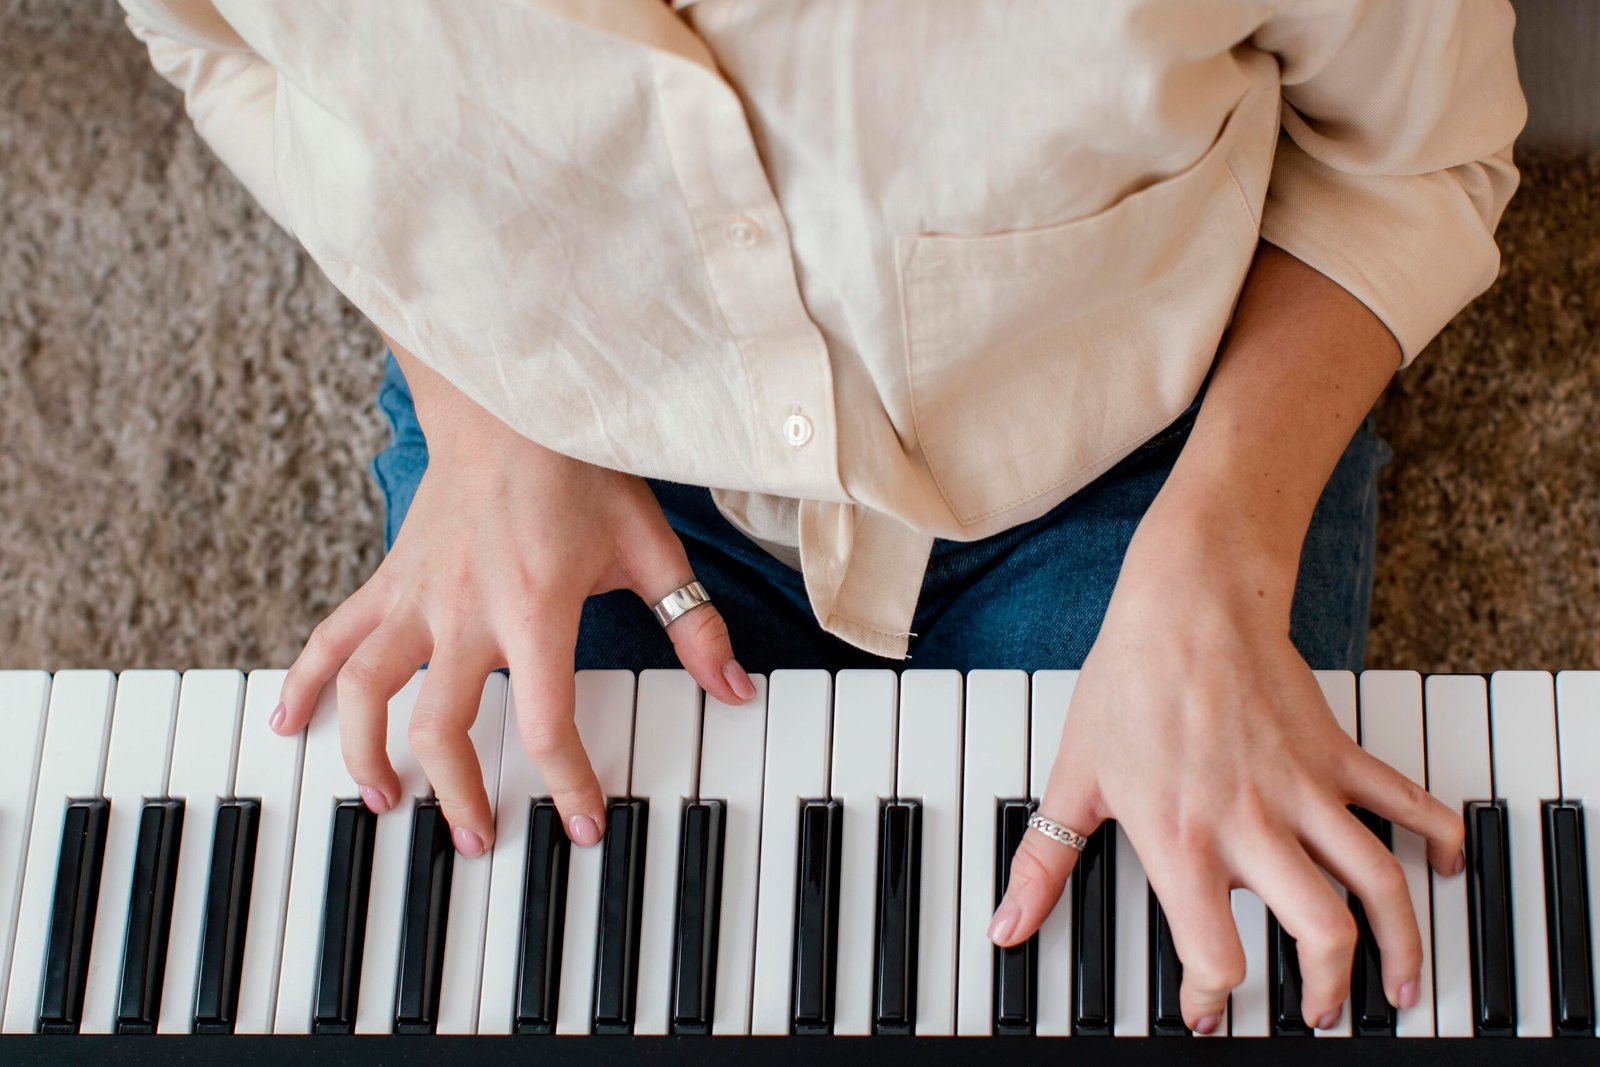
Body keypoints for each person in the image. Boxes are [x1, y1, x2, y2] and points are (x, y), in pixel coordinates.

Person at [120, 0, 1526, 1034]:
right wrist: (486, 423)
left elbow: (1411, 153)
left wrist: (1220, 551)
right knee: (501, 990)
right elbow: (217, 38)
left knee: (1188, 989)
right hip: (558, 416)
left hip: (1142, 434)